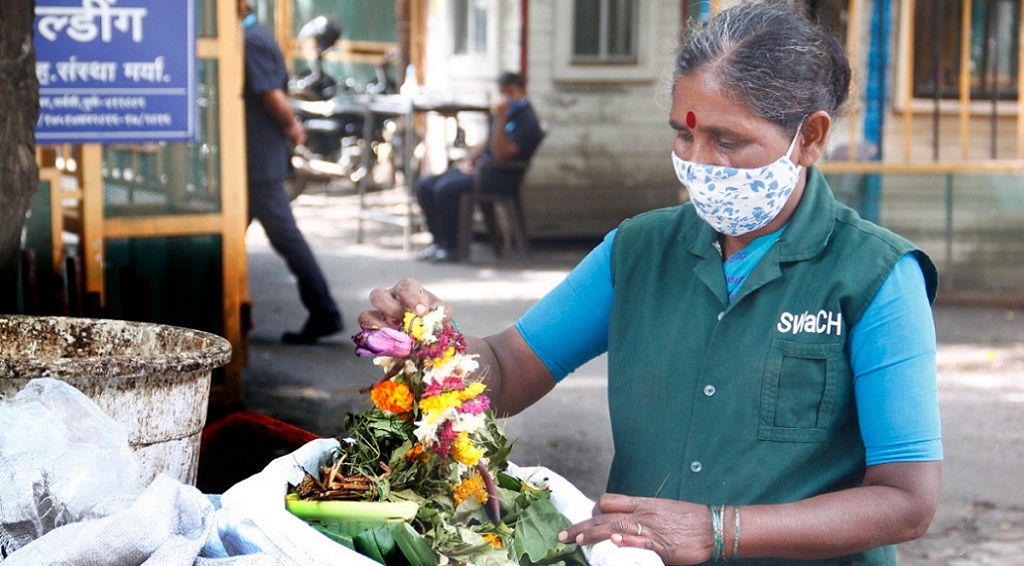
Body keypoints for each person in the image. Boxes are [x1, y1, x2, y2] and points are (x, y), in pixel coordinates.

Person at [360, 3, 942, 565]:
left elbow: (907, 501)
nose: (698, 162)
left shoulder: (877, 276)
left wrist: (720, 531)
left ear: (810, 138)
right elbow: (509, 372)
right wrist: (433, 342)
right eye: (684, 136)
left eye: (727, 140)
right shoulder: (637, 251)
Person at [239, 0, 343, 344]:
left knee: (286, 237)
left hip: (258, 158)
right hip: (255, 157)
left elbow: (271, 95)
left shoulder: (251, 39)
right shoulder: (253, 34)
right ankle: (225, 314)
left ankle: (324, 311)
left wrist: (292, 127)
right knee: (228, 239)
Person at [414, 72, 545, 263]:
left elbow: (501, 155)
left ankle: (452, 247)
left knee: (445, 189)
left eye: (510, 93)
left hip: (502, 176)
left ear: (522, 90)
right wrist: (469, 162)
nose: (505, 98)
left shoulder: (527, 121)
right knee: (425, 183)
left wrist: (500, 118)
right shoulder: (507, 112)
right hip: (483, 169)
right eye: (502, 92)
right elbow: (488, 141)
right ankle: (439, 243)